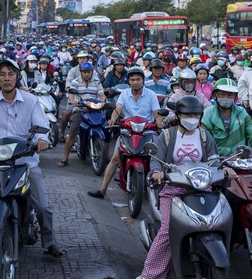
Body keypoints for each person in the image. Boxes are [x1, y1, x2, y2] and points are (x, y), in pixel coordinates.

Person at [0, 58, 67, 259]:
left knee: (43, 207)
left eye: (10, 74)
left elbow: (41, 125)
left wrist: (41, 140)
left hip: (25, 162)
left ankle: (49, 243)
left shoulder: (31, 101)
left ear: (17, 77)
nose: (6, 78)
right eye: (2, 74)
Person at [138, 96, 227, 279]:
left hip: (201, 189)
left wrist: (223, 169)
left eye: (196, 114)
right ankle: (150, 274)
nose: (192, 117)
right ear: (178, 115)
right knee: (167, 230)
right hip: (174, 189)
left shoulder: (204, 135)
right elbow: (156, 160)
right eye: (188, 114)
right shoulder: (168, 135)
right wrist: (157, 172)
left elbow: (213, 160)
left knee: (218, 219)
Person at [87, 66, 162, 199]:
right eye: (132, 79)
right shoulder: (124, 94)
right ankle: (102, 189)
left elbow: (156, 113)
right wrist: (112, 119)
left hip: (147, 132)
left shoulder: (151, 95)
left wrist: (159, 123)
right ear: (128, 81)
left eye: (138, 79)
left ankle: (160, 194)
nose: (135, 82)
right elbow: (117, 109)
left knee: (156, 158)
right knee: (115, 157)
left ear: (143, 80)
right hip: (128, 131)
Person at [58, 62, 106, 167]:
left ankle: (106, 155)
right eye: (84, 72)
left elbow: (102, 95)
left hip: (95, 110)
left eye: (88, 72)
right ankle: (65, 157)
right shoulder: (75, 82)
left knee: (106, 129)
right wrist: (73, 101)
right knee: (72, 133)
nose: (87, 74)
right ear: (81, 72)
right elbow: (71, 94)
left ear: (92, 72)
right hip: (81, 110)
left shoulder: (97, 82)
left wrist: (105, 102)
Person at [201, 78, 252, 156]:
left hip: (239, 159)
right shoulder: (207, 114)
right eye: (222, 94)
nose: (226, 97)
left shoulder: (242, 112)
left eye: (230, 95)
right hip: (216, 161)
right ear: (215, 95)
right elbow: (205, 142)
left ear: (235, 97)